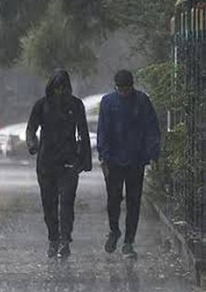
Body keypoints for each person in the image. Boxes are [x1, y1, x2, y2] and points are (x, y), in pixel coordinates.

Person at [27, 69, 92, 259]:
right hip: (46, 162)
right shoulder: (41, 106)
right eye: (57, 88)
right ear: (51, 88)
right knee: (49, 203)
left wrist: (84, 159)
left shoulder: (76, 105)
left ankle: (65, 239)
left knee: (66, 202)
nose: (60, 93)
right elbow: (31, 127)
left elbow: (83, 132)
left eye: (63, 88)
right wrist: (32, 144)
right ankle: (53, 238)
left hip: (68, 162)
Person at [97, 69, 160, 259]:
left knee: (134, 202)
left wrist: (152, 153)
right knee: (113, 200)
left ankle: (128, 242)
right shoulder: (108, 102)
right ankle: (114, 230)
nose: (124, 93)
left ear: (132, 86)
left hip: (136, 160)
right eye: (121, 89)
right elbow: (103, 130)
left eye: (127, 89)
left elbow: (152, 129)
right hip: (114, 161)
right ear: (116, 87)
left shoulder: (142, 101)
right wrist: (104, 156)